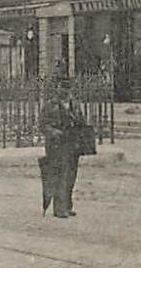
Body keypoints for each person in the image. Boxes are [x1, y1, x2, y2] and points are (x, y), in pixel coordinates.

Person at [40, 81, 87, 218]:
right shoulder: (50, 105)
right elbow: (43, 124)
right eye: (62, 88)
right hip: (56, 145)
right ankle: (58, 208)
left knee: (71, 175)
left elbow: (82, 121)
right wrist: (53, 132)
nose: (65, 91)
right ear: (58, 88)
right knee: (59, 174)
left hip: (72, 144)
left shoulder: (75, 105)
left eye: (68, 88)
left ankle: (67, 205)